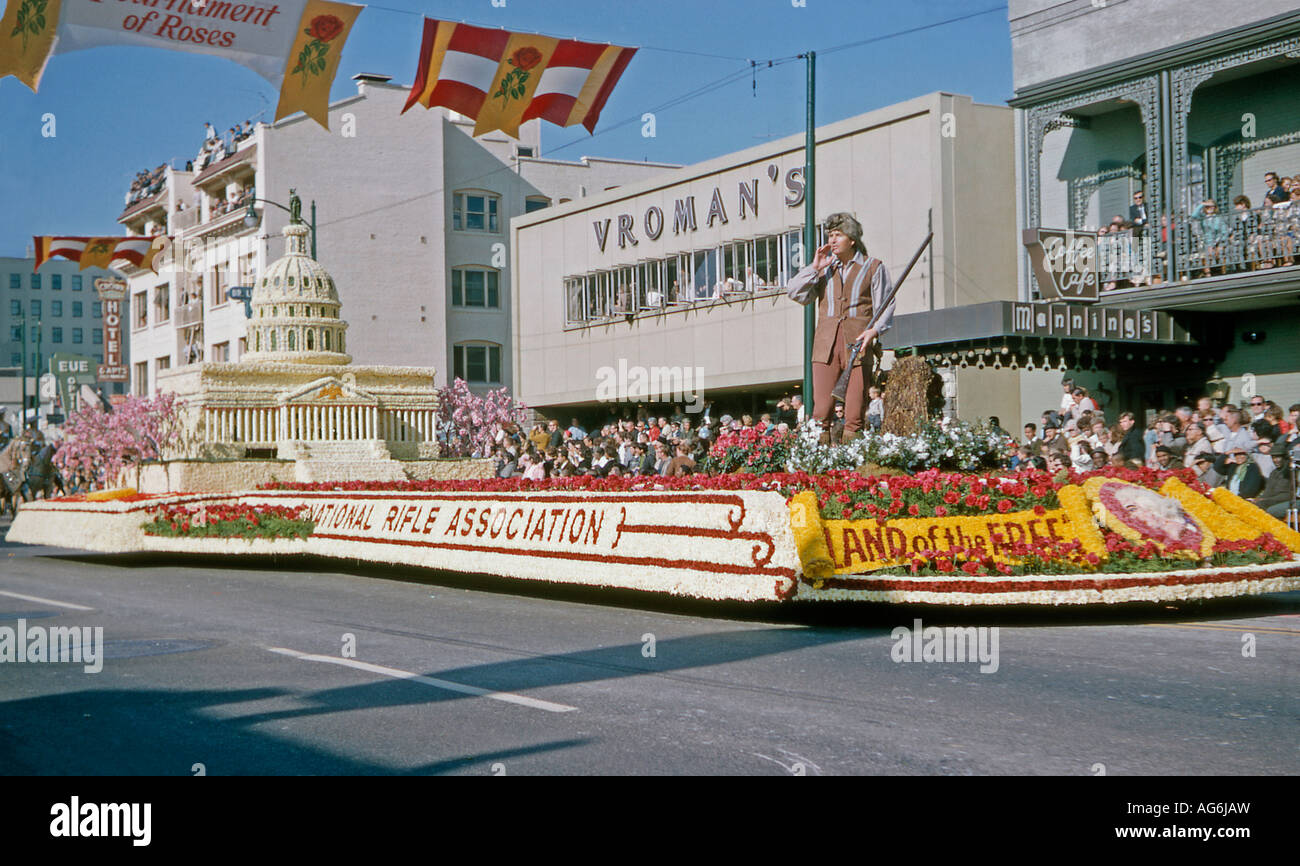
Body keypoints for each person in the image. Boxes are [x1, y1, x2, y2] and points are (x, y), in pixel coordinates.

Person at [786, 212, 895, 444]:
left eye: (838, 235)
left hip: (858, 347)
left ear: (852, 239)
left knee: (854, 413)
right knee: (821, 411)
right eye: (830, 235)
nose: (832, 240)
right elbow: (795, 292)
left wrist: (873, 331)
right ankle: (817, 466)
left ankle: (851, 471)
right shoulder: (825, 269)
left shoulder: (873, 267)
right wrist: (815, 267)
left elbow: (886, 303)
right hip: (825, 347)